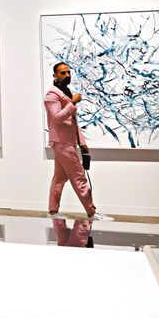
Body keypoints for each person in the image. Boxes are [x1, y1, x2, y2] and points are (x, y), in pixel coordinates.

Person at [46, 63, 113, 221]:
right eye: (63, 73)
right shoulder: (51, 95)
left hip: (67, 142)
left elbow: (73, 121)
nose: (67, 75)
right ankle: (91, 212)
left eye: (68, 72)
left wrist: (82, 142)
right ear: (55, 75)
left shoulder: (67, 92)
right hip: (62, 142)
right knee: (79, 176)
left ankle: (53, 212)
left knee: (59, 177)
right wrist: (72, 103)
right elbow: (58, 118)